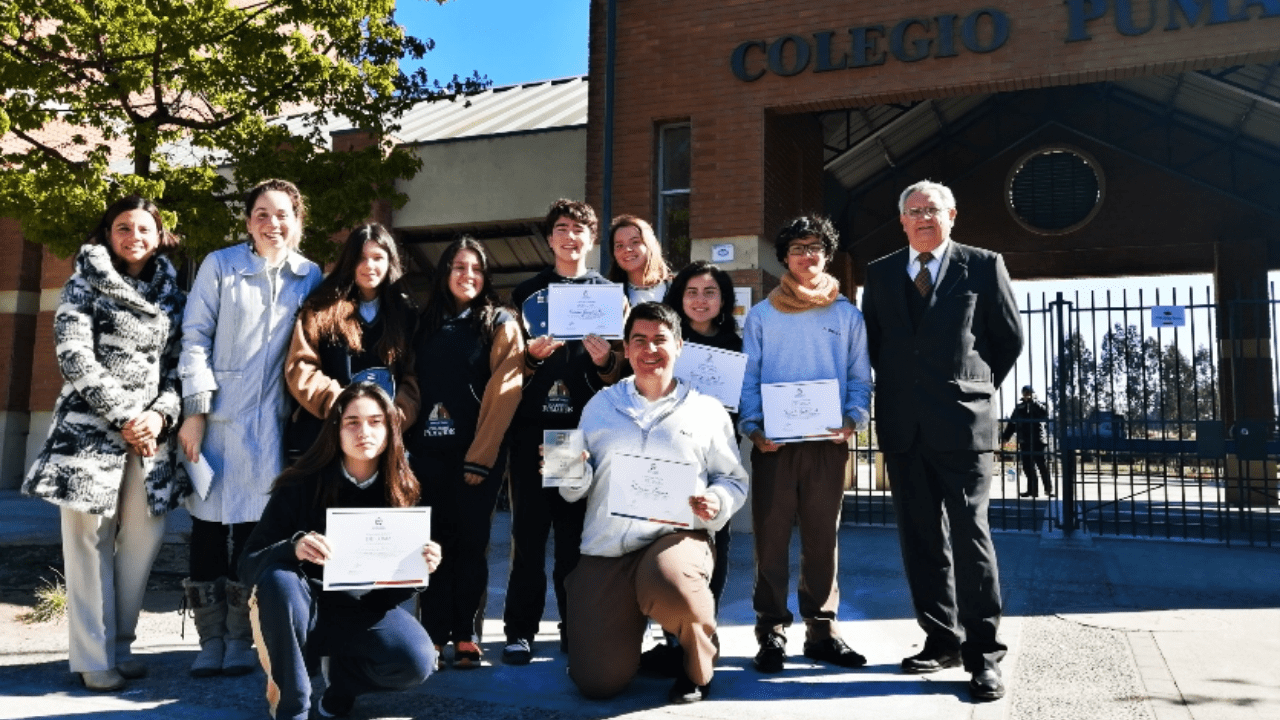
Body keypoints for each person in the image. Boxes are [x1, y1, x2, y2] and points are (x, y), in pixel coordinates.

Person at [861, 180, 1023, 701]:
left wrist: (971, 388)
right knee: (920, 537)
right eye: (913, 210)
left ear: (952, 215)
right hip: (904, 428)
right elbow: (877, 345)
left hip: (963, 425)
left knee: (970, 538)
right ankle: (941, 638)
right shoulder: (880, 273)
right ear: (902, 220)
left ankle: (984, 654)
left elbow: (1007, 339)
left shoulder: (983, 264)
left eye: (932, 209)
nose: (923, 217)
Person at [23, 196, 187, 692]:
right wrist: (125, 415)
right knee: (87, 545)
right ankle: (93, 658)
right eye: (123, 227)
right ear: (108, 234)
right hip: (88, 435)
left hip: (151, 440)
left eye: (144, 228)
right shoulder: (82, 283)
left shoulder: (172, 297)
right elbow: (73, 355)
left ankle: (119, 644)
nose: (134, 236)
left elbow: (181, 366)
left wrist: (159, 414)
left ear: (160, 236)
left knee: (143, 538)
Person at [555, 302, 748, 704]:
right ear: (625, 349)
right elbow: (573, 490)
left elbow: (732, 479)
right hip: (608, 547)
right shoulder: (600, 406)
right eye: (639, 340)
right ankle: (625, 640)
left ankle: (697, 667)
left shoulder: (707, 410)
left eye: (660, 340)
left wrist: (716, 501)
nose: (649, 350)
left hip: (675, 540)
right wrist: (569, 471)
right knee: (596, 682)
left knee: (672, 581)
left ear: (678, 346)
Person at [178, 179, 324, 678]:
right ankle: (210, 639)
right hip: (215, 420)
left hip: (271, 425)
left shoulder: (311, 276)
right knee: (206, 528)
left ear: (298, 222)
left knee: (252, 531)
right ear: (247, 221)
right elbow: (194, 336)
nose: (271, 223)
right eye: (261, 213)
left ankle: (242, 637)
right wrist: (194, 412)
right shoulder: (220, 265)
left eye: (282, 214)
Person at [240, 383, 442, 720]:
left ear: (390, 428)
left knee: (417, 661)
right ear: (336, 428)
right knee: (279, 580)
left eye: (376, 421)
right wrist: (293, 549)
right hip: (302, 609)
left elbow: (394, 595)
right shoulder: (300, 483)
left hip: (359, 612)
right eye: (352, 422)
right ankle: (295, 708)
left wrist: (418, 569)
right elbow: (248, 564)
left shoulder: (405, 488)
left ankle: (342, 687)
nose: (364, 431)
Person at [738, 215, 872, 674]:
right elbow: (749, 378)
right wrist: (753, 427)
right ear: (784, 258)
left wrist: (853, 420)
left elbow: (859, 377)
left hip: (828, 445)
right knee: (770, 539)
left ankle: (821, 630)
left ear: (827, 255)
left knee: (821, 539)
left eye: (815, 247)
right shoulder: (761, 315)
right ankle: (771, 631)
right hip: (773, 446)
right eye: (797, 248)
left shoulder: (847, 314)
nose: (807, 256)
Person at [501, 198, 623, 665]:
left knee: (573, 540)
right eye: (563, 228)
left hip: (577, 437)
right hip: (533, 429)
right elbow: (504, 366)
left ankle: (574, 626)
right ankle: (519, 631)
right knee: (528, 537)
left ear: (592, 240)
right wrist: (529, 357)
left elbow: (620, 369)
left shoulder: (609, 295)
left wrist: (603, 361)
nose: (571, 237)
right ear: (550, 238)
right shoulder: (526, 293)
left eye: (580, 230)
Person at [409, 237, 524, 669]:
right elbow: (412, 386)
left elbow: (505, 393)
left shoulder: (499, 323)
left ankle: (467, 635)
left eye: (475, 268)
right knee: (432, 547)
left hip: (475, 458)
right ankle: (434, 636)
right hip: (426, 456)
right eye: (458, 267)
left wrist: (482, 455)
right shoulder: (423, 324)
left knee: (471, 548)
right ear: (444, 273)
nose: (468, 275)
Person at [635, 260, 740, 675]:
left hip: (716, 457)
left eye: (709, 292)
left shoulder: (737, 344)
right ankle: (671, 635)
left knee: (716, 540)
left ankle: (702, 633)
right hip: (666, 455)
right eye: (691, 292)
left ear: (723, 299)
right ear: (678, 297)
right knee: (666, 541)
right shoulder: (661, 340)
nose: (700, 300)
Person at [284, 223, 420, 457]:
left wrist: (392, 417)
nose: (369, 266)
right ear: (349, 261)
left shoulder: (406, 313)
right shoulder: (319, 308)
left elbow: (414, 376)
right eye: (361, 258)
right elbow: (300, 367)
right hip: (324, 437)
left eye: (378, 257)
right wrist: (342, 407)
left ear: (390, 262)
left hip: (384, 439)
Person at [608, 215, 672, 305]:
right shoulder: (608, 295)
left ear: (650, 245)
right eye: (619, 245)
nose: (627, 249)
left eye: (635, 242)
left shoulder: (678, 291)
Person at [1002, 385, 1053, 498]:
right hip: (1024, 440)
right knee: (1027, 467)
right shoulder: (1019, 407)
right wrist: (1006, 437)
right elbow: (1012, 423)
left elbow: (1044, 414)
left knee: (1042, 465)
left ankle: (1048, 489)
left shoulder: (1041, 405)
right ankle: (1032, 490)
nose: (1026, 395)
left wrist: (1033, 402)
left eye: (1029, 392)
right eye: (1024, 393)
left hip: (1038, 440)